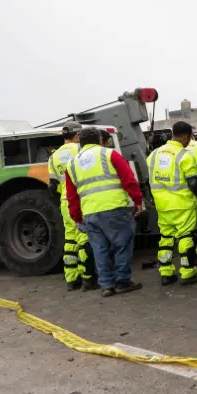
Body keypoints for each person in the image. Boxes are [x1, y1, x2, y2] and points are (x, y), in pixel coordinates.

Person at [65, 127, 144, 297]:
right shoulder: (110, 154)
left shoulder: (71, 164)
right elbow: (129, 179)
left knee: (99, 249)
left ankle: (106, 285)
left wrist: (77, 218)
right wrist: (137, 201)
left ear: (80, 141)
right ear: (100, 139)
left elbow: (71, 196)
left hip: (90, 214)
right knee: (121, 245)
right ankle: (122, 281)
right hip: (114, 208)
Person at [147, 121, 197, 286]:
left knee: (166, 237)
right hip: (182, 204)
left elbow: (150, 180)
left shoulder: (153, 154)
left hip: (162, 205)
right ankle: (188, 272)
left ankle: (166, 273)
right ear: (186, 136)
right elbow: (194, 183)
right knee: (185, 236)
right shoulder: (184, 155)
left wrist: (153, 199)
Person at [47, 122, 97, 291]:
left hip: (64, 202)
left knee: (70, 240)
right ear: (77, 136)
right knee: (84, 239)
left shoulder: (53, 157)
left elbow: (53, 185)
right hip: (80, 200)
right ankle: (87, 277)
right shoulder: (80, 151)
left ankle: (71, 279)